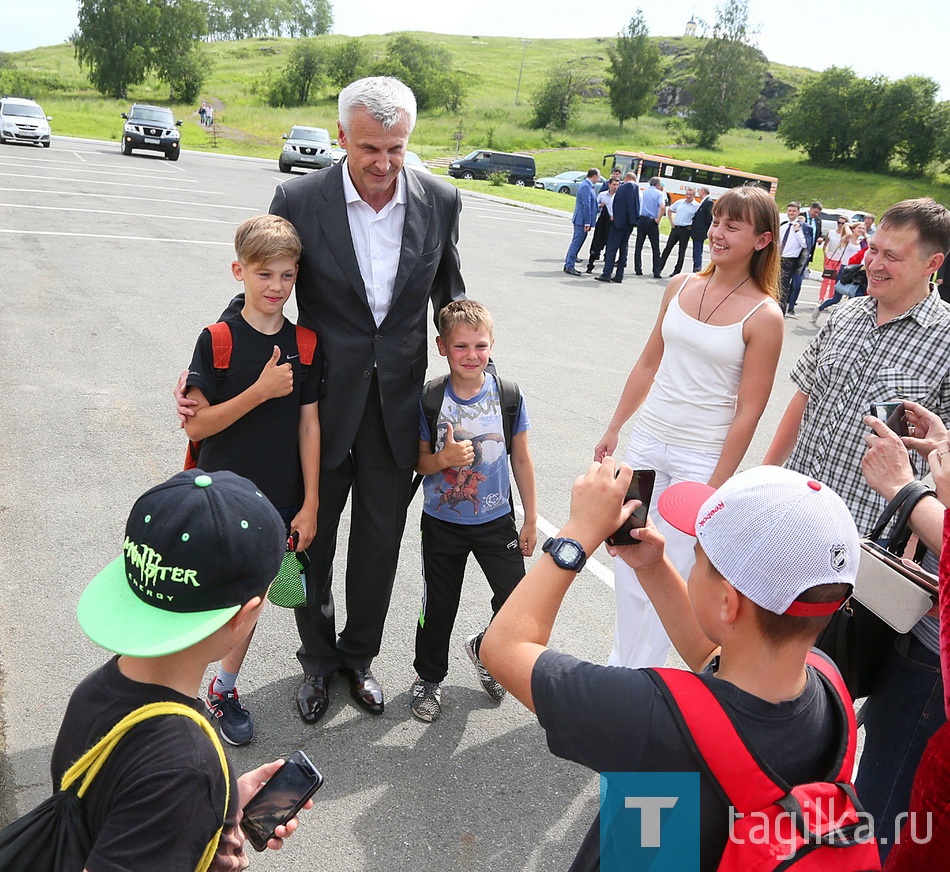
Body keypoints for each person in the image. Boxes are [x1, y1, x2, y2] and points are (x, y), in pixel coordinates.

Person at [180, 76, 466, 725]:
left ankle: (358, 657)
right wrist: (207, 368)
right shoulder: (300, 200)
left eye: (396, 148)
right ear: (341, 137)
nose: (383, 163)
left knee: (378, 546)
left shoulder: (442, 200)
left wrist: (476, 383)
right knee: (311, 541)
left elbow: (450, 297)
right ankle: (316, 659)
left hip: (396, 413)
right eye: (370, 147)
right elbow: (267, 282)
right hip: (317, 405)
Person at [480, 460, 860, 871]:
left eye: (697, 560)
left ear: (727, 603)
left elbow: (502, 648)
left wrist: (578, 534)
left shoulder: (651, 716)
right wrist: (653, 567)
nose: (691, 567)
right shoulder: (826, 683)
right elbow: (711, 658)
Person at [763, 197, 950, 862]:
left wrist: (925, 459)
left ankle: (807, 821)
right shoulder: (842, 314)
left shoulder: (947, 342)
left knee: (830, 694)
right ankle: (754, 795)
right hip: (791, 531)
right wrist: (761, 479)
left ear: (933, 264)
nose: (872, 264)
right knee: (758, 673)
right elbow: (803, 404)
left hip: (860, 563)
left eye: (891, 257)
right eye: (872, 249)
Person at [51, 469, 310, 870]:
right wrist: (200, 805)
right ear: (247, 616)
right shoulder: (187, 767)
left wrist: (219, 804)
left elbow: (125, 806)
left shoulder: (95, 691)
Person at [593, 185, 784, 668]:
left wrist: (715, 486)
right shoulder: (678, 285)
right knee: (626, 551)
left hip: (701, 458)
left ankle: (638, 678)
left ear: (761, 240)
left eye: (731, 226)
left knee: (674, 572)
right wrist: (616, 426)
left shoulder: (766, 315)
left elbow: (750, 410)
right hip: (648, 443)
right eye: (716, 221)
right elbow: (648, 363)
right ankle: (622, 664)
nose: (717, 233)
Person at [182, 214, 322, 745]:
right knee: (204, 597)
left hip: (277, 501)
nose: (276, 287)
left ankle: (224, 688)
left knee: (251, 602)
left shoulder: (304, 344)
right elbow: (198, 422)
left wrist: (310, 503)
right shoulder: (217, 339)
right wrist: (261, 390)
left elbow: (310, 424)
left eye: (287, 276)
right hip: (214, 498)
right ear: (238, 271)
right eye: (265, 274)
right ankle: (175, 691)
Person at [410, 300, 537, 722]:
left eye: (480, 346)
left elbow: (521, 458)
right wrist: (444, 459)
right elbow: (419, 462)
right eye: (460, 346)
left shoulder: (507, 395)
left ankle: (485, 648)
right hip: (443, 521)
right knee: (439, 604)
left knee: (516, 601)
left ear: (492, 344)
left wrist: (531, 517)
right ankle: (429, 678)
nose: (471, 355)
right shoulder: (430, 398)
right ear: (442, 346)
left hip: (496, 519)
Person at [810, 222, 866, 324]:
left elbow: (870, 244)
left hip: (855, 270)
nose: (861, 230)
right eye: (859, 227)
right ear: (853, 228)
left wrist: (865, 234)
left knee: (852, 298)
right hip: (845, 269)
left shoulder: (861, 243)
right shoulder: (846, 240)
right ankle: (819, 308)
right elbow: (848, 234)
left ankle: (846, 322)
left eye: (863, 228)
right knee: (836, 298)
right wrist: (846, 225)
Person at [595, 171, 640, 284]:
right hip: (628, 224)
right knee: (623, 248)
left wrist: (613, 216)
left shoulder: (625, 188)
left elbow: (615, 205)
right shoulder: (637, 190)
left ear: (626, 178)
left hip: (619, 223)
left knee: (612, 248)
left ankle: (607, 273)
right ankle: (619, 274)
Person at [777, 202, 814, 315]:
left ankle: (780, 312)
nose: (791, 213)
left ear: (798, 212)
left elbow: (805, 244)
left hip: (790, 260)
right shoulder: (783, 226)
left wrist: (797, 231)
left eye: (794, 211)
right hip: (779, 257)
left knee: (783, 287)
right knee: (773, 285)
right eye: (789, 211)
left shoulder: (802, 227)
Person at [787, 201, 823, 316]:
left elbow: (818, 234)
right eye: (814, 212)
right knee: (785, 282)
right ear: (811, 209)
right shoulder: (800, 218)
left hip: (805, 256)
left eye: (818, 213)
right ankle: (785, 303)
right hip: (792, 254)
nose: (815, 214)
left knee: (797, 283)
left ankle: (791, 305)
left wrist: (819, 239)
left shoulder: (818, 221)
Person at [564, 168, 600, 276]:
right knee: (576, 242)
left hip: (582, 220)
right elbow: (586, 205)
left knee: (577, 242)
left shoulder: (588, 186)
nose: (598, 179)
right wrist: (587, 222)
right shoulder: (586, 186)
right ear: (594, 176)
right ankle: (569, 265)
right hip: (582, 220)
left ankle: (569, 264)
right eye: (598, 176)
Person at [658, 187, 700, 277]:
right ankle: (659, 268)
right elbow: (669, 209)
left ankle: (676, 271)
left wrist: (692, 226)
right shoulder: (680, 202)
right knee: (667, 248)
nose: (688, 196)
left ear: (694, 195)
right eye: (687, 194)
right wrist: (671, 222)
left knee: (681, 252)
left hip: (686, 230)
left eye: (691, 195)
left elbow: (698, 219)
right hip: (676, 228)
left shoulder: (697, 206)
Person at [633, 177, 666, 279]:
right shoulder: (659, 193)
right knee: (655, 247)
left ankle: (638, 269)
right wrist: (658, 219)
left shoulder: (644, 192)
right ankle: (656, 271)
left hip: (642, 219)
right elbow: (662, 206)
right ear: (658, 185)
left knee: (639, 245)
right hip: (652, 221)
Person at [585, 177, 619, 273]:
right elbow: (595, 207)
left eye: (617, 185)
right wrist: (600, 206)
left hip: (612, 223)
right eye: (614, 184)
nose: (615, 187)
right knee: (596, 243)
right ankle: (590, 265)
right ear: (609, 184)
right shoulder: (602, 195)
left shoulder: (618, 196)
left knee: (610, 246)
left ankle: (607, 269)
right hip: (602, 222)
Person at [817, 215, 852, 302]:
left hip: (840, 259)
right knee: (826, 278)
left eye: (842, 223)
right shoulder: (831, 232)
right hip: (830, 257)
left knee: (834, 280)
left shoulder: (846, 236)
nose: (840, 225)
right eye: (838, 223)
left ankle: (830, 298)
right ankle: (821, 298)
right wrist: (825, 254)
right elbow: (825, 245)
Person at [689, 186, 713, 273]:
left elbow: (708, 219)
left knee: (697, 251)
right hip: (696, 231)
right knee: (696, 251)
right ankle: (696, 267)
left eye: (699, 191)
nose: (698, 193)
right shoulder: (704, 202)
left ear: (703, 191)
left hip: (700, 232)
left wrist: (704, 231)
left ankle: (697, 268)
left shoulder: (709, 202)